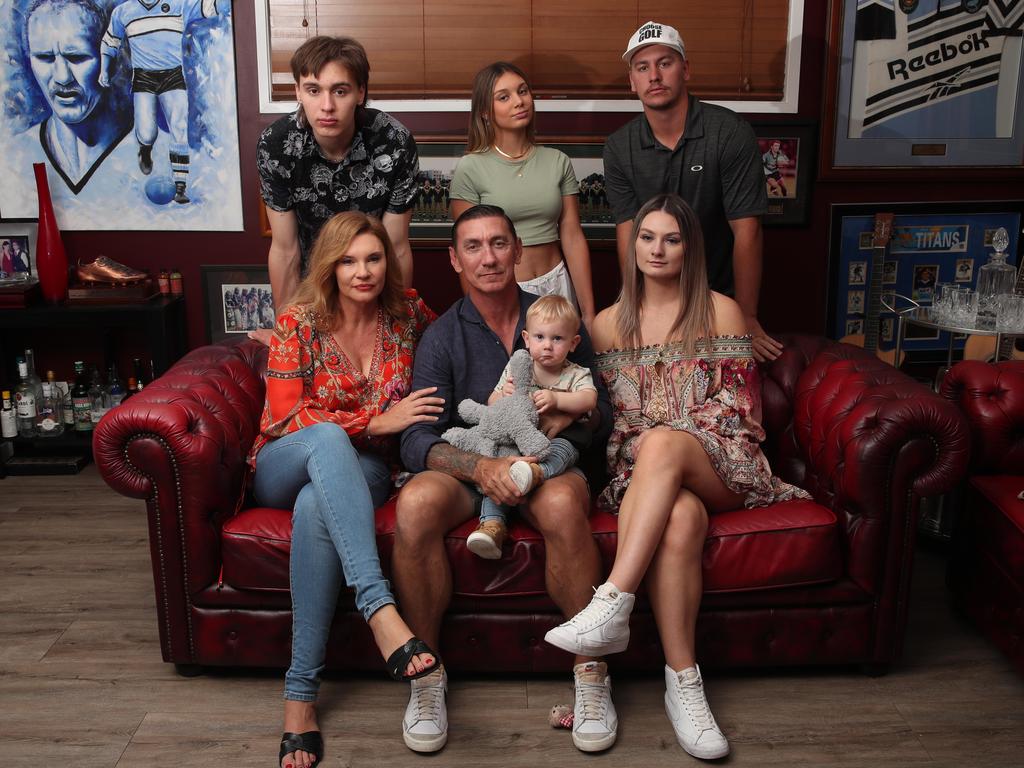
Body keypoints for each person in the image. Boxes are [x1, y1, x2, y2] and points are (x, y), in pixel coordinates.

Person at [545, 194, 809, 760]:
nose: (657, 249)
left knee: (666, 442)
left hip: (725, 461)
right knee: (681, 517)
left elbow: (738, 408)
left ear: (689, 247)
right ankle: (683, 683)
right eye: (647, 237)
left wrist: (671, 438)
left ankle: (611, 602)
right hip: (644, 472)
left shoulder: (722, 310)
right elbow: (615, 419)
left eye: (671, 238)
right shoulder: (608, 324)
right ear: (632, 245)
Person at [394, 204, 617, 755]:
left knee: (565, 507)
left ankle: (590, 675)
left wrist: (565, 420)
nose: (488, 257)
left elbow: (603, 411)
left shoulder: (557, 319)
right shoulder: (441, 337)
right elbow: (416, 440)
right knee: (416, 504)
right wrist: (481, 469)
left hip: (544, 465)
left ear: (519, 251)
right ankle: (426, 675)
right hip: (476, 462)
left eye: (499, 243)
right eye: (473, 246)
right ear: (453, 259)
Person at [247, 211, 444, 768]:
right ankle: (380, 609)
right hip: (285, 463)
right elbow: (285, 420)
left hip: (365, 474)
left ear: (388, 260)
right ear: (328, 267)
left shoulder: (409, 316)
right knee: (327, 438)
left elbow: (456, 343)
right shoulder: (300, 322)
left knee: (318, 505)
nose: (363, 272)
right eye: (349, 261)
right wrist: (375, 423)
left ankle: (299, 699)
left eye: (374, 258)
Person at [603, 21, 783, 363]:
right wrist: (632, 305)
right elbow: (627, 232)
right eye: (642, 67)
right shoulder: (619, 147)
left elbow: (747, 229)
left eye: (664, 63)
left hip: (718, 297)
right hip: (653, 300)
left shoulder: (729, 133)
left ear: (686, 69)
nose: (654, 75)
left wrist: (746, 315)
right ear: (632, 81)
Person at [257, 35, 419, 312]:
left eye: (340, 91)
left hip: (373, 285)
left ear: (360, 93)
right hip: (313, 290)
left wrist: (396, 323)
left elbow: (396, 246)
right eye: (313, 90)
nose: (327, 106)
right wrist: (287, 328)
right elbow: (285, 250)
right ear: (297, 91)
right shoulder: (276, 145)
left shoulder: (394, 141)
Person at [449, 62, 596, 334]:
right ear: (485, 111)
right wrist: (476, 317)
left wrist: (588, 313)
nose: (519, 101)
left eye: (523, 91)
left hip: (557, 285)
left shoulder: (558, 161)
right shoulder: (471, 167)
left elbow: (572, 235)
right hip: (503, 291)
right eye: (504, 97)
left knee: (565, 373)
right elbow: (467, 249)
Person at [467, 294, 599, 559]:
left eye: (557, 339)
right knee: (501, 467)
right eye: (540, 338)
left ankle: (537, 472)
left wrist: (558, 399)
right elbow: (493, 401)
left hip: (556, 439)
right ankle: (492, 525)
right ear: (527, 339)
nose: (547, 346)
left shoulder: (575, 373)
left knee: (562, 451)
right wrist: (503, 393)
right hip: (516, 445)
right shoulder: (518, 368)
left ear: (573, 343)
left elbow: (590, 400)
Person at [98, 0, 224, 204]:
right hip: (143, 78)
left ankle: (180, 186)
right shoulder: (124, 11)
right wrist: (104, 70)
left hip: (173, 75)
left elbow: (213, 6)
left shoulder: (179, 4)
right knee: (146, 132)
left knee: (179, 128)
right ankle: (145, 149)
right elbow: (110, 41)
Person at [22, 0, 132, 192]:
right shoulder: (15, 155)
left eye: (77, 57)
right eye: (44, 58)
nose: (62, 78)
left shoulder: (158, 154)